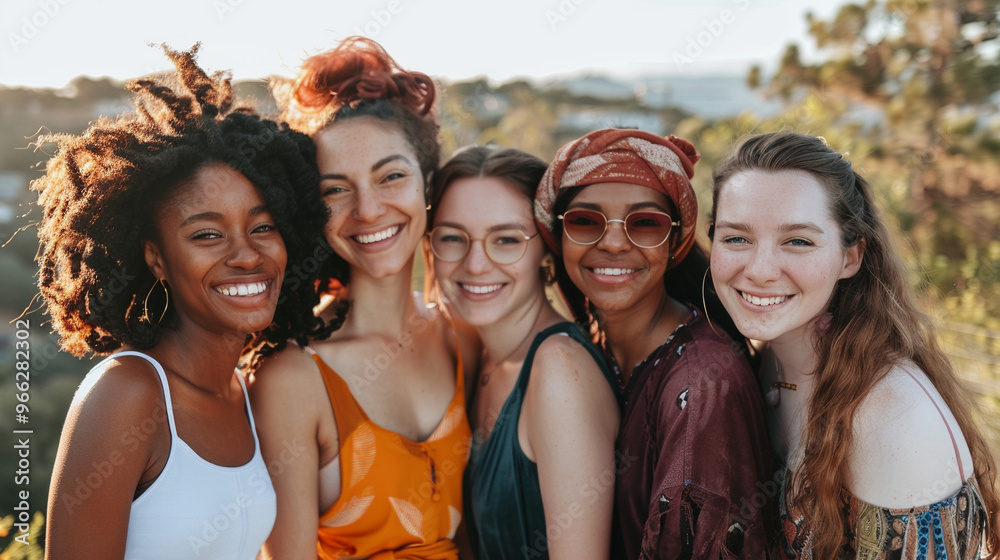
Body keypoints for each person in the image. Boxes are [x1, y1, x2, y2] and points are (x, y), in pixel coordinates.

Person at [38, 46, 325, 559]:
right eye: (207, 235)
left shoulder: (244, 390)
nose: (246, 255)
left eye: (263, 227)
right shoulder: (127, 393)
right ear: (156, 259)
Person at [708, 131, 999, 559]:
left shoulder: (890, 416)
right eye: (736, 238)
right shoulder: (773, 359)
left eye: (798, 241)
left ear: (851, 257)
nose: (761, 270)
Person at [250, 37, 478, 559]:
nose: (369, 210)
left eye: (391, 176)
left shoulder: (463, 340)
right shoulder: (293, 377)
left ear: (426, 182)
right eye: (336, 189)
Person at [534, 128, 775, 559]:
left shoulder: (701, 387)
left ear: (676, 240)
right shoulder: (594, 349)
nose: (611, 242)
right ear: (559, 235)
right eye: (585, 220)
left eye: (645, 223)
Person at [426, 146, 619, 559]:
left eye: (507, 239)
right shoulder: (478, 353)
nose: (476, 264)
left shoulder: (558, 369)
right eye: (452, 238)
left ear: (546, 251)